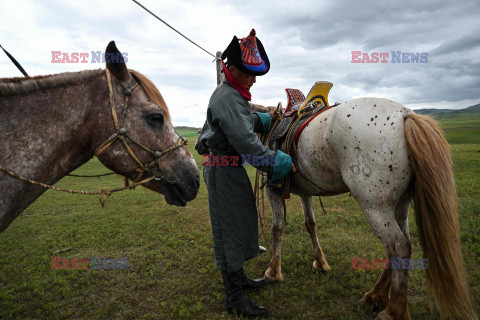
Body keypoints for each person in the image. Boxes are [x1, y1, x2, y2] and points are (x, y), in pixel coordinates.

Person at [195, 29, 295, 318]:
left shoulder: (233, 95)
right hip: (222, 172)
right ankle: (234, 297)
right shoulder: (227, 96)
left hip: (229, 169)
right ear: (233, 69)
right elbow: (246, 144)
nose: (253, 80)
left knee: (238, 224)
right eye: (249, 74)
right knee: (228, 231)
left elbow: (242, 120)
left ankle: (240, 281)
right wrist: (279, 162)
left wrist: (262, 120)